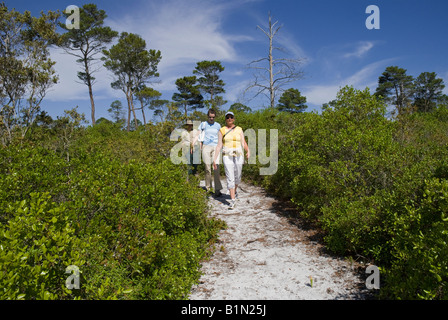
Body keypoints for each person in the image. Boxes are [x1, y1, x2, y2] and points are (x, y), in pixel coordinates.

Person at [213, 111, 250, 209]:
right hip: (227, 155)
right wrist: (215, 159)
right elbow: (219, 145)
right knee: (230, 177)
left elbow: (243, 142)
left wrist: (248, 151)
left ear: (234, 119)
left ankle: (235, 191)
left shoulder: (239, 129)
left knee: (238, 176)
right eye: (227, 117)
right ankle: (232, 200)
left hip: (238, 155)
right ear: (225, 119)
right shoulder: (222, 130)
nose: (229, 119)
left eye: (231, 117)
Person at [193, 109, 223, 196]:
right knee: (207, 168)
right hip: (206, 146)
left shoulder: (218, 125)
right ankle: (208, 188)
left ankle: (217, 189)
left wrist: (222, 146)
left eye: (213, 117)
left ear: (215, 117)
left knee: (216, 168)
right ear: (207, 116)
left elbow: (220, 137)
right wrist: (193, 142)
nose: (211, 119)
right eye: (210, 117)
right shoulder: (203, 124)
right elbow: (198, 134)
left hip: (216, 147)